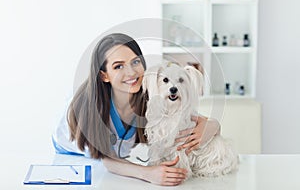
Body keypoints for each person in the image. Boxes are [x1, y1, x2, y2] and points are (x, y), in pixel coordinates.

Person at [52, 33, 220, 186]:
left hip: (109, 163)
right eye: (118, 66)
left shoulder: (149, 94)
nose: (131, 72)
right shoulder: (90, 105)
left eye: (135, 62)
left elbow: (188, 117)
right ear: (104, 75)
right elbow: (106, 157)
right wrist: (148, 173)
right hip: (69, 156)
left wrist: (212, 126)